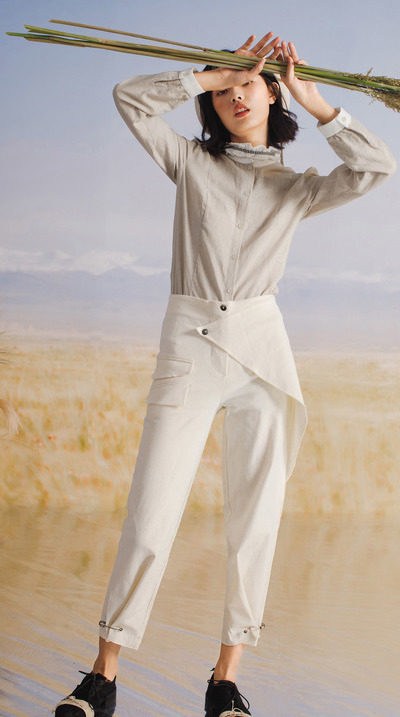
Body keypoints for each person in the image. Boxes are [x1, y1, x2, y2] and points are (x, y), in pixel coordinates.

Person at [54, 32, 396, 717]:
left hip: (263, 357)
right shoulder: (189, 161)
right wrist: (205, 75)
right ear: (213, 99)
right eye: (226, 88)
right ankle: (103, 676)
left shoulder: (297, 187)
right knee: (151, 514)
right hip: (190, 348)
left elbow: (373, 167)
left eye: (250, 84)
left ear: (273, 93)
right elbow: (129, 99)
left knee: (256, 519)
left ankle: (225, 680)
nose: (237, 95)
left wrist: (317, 103)